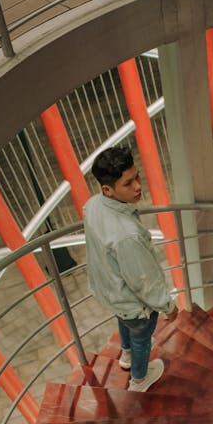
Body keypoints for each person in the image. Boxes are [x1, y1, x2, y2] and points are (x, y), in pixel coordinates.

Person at [84, 145, 178, 392]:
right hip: (132, 301)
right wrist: (168, 306)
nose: (138, 186)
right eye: (128, 183)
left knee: (124, 322)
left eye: (137, 177)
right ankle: (139, 380)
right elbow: (143, 280)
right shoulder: (127, 235)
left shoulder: (92, 205)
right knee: (141, 336)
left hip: (109, 289)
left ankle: (125, 356)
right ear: (108, 189)